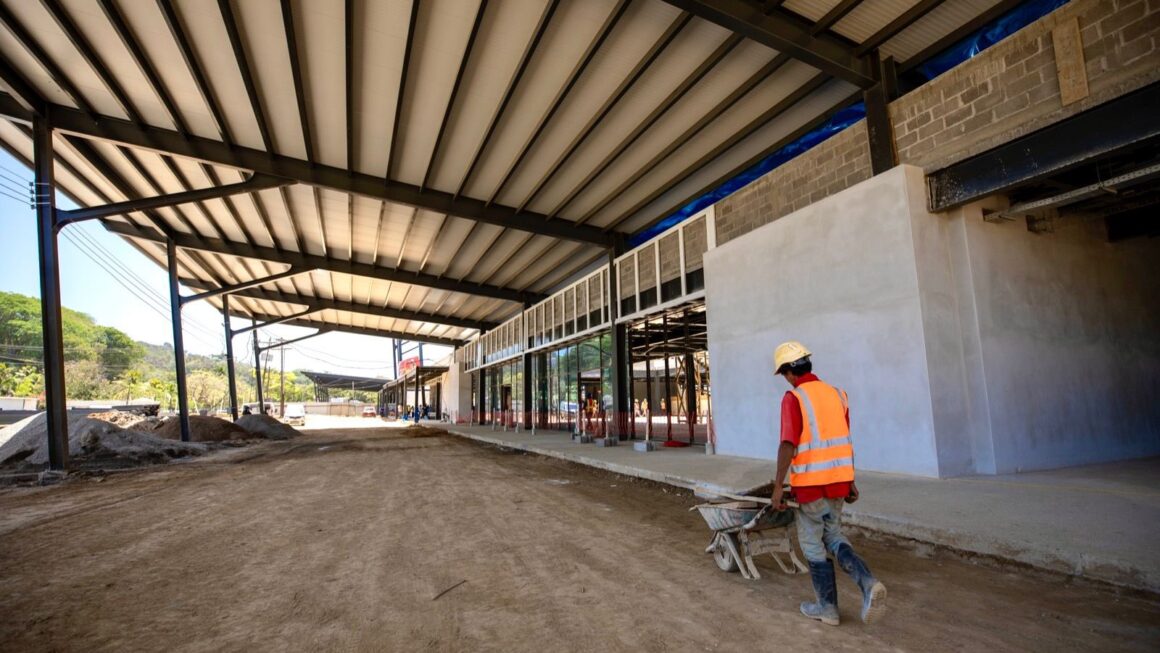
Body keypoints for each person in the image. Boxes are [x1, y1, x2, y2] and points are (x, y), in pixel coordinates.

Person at [770, 341, 886, 627]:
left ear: (788, 372)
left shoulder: (794, 398)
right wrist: (850, 480)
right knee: (834, 536)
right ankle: (868, 582)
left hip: (810, 486)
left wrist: (777, 486)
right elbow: (844, 440)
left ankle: (827, 608)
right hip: (837, 484)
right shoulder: (838, 394)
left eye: (784, 373)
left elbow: (788, 444)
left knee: (812, 545)